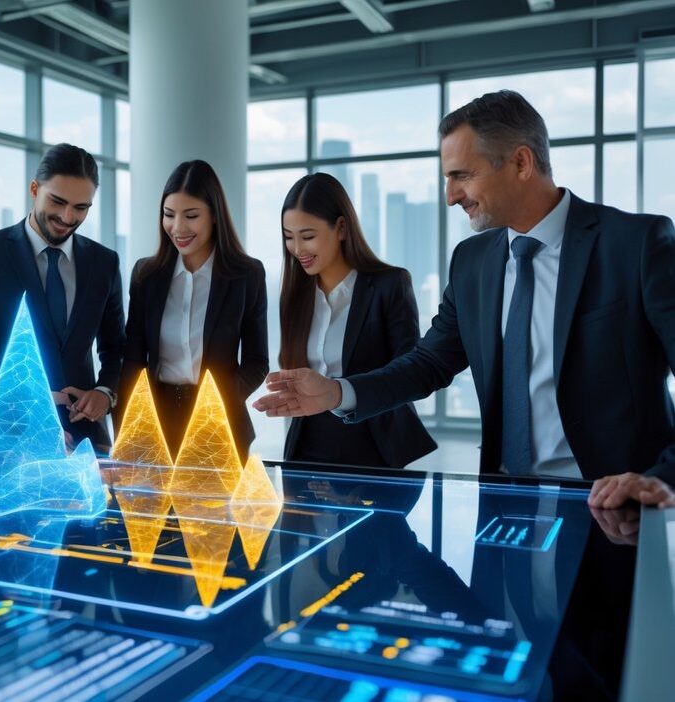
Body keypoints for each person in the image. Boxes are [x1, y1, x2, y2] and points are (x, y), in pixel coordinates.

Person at [253, 90, 675, 505]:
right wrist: (336, 393)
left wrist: (664, 477)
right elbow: (427, 364)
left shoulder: (635, 246)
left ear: (521, 163)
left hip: (612, 507)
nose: (451, 195)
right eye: (447, 178)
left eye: (462, 176)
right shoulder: (472, 261)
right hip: (504, 498)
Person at [0, 143, 125, 450]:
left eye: (80, 207)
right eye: (57, 201)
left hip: (85, 439)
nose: (67, 216)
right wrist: (20, 400)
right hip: (5, 433)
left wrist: (105, 392)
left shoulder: (104, 263)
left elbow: (115, 348)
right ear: (34, 189)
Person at [278, 173, 435, 468]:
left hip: (372, 448)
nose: (297, 249)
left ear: (341, 227)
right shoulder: (295, 295)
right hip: (306, 450)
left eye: (308, 236)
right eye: (289, 237)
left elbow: (408, 372)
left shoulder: (390, 285)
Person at [117, 160, 268, 461]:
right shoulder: (146, 275)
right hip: (155, 423)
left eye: (191, 216)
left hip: (219, 424)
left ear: (214, 216)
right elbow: (133, 360)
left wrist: (215, 407)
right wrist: (127, 429)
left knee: (211, 509)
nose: (178, 228)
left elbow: (256, 362)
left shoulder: (246, 275)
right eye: (169, 215)